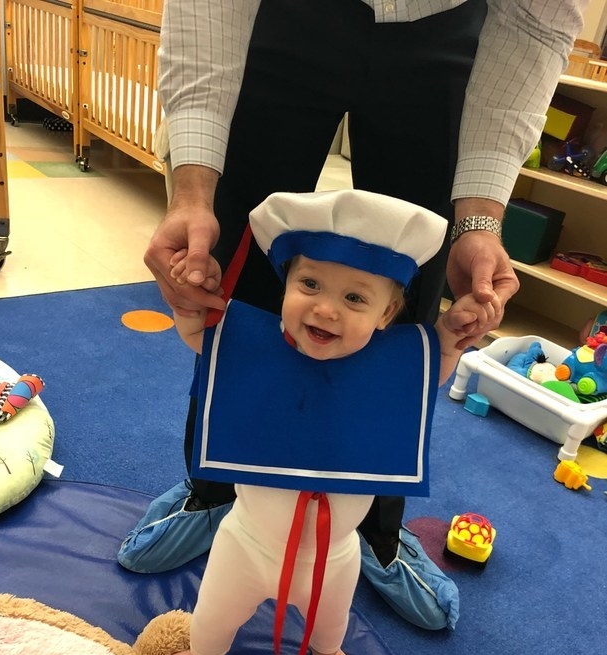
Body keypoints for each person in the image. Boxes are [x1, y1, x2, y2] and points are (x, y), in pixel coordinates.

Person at [128, 0, 585, 588]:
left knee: (410, 291)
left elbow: (534, 22)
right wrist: (191, 194)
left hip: (446, 29)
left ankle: (373, 526)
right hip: (278, 18)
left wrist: (480, 225)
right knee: (234, 273)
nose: (325, 310)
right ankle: (218, 487)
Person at [156, 189, 500, 655]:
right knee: (212, 616)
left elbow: (434, 364)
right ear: (285, 286)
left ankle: (326, 651)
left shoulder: (396, 367)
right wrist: (191, 300)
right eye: (309, 283)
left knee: (331, 622)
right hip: (246, 543)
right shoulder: (252, 346)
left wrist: (454, 331)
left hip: (335, 554)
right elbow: (202, 333)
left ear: (387, 316)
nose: (325, 309)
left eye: (355, 297)